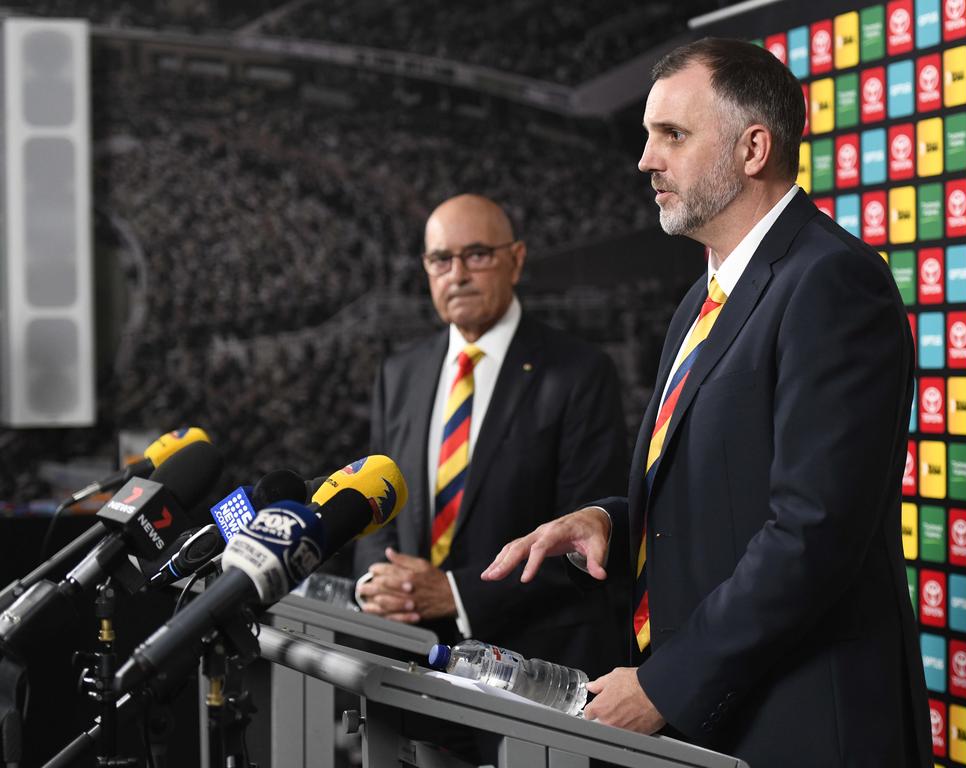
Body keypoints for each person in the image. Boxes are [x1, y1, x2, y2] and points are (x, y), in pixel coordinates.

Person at [482, 38, 931, 767]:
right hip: (724, 729)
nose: (645, 160)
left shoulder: (832, 282)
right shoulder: (702, 296)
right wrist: (606, 520)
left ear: (754, 147)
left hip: (809, 730)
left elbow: (812, 535)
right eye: (648, 136)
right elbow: (724, 495)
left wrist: (663, 686)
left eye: (673, 136)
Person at [353, 193, 628, 678]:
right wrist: (378, 581)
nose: (457, 274)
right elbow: (374, 509)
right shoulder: (399, 374)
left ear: (516, 260)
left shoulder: (580, 373)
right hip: (411, 663)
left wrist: (457, 593)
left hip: (527, 673)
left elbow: (583, 542)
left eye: (476, 255)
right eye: (441, 260)